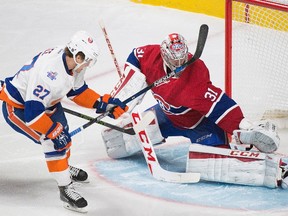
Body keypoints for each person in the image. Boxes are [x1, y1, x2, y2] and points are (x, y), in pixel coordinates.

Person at [101, 32, 288, 189]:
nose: (181, 64)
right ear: (164, 55)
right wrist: (122, 96)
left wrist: (243, 124)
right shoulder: (151, 56)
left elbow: (220, 105)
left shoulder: (195, 76)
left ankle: (271, 167)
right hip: (167, 115)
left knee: (212, 164)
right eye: (176, 60)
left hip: (200, 126)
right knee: (116, 139)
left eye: (183, 58)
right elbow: (136, 56)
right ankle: (240, 137)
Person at [0, 31, 128, 212]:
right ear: (78, 55)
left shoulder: (73, 64)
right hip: (19, 109)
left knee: (64, 137)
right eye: (88, 60)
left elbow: (77, 91)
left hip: (47, 104)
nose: (89, 64)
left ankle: (63, 167)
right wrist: (52, 131)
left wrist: (101, 104)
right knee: (54, 142)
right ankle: (65, 188)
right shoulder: (48, 73)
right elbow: (32, 114)